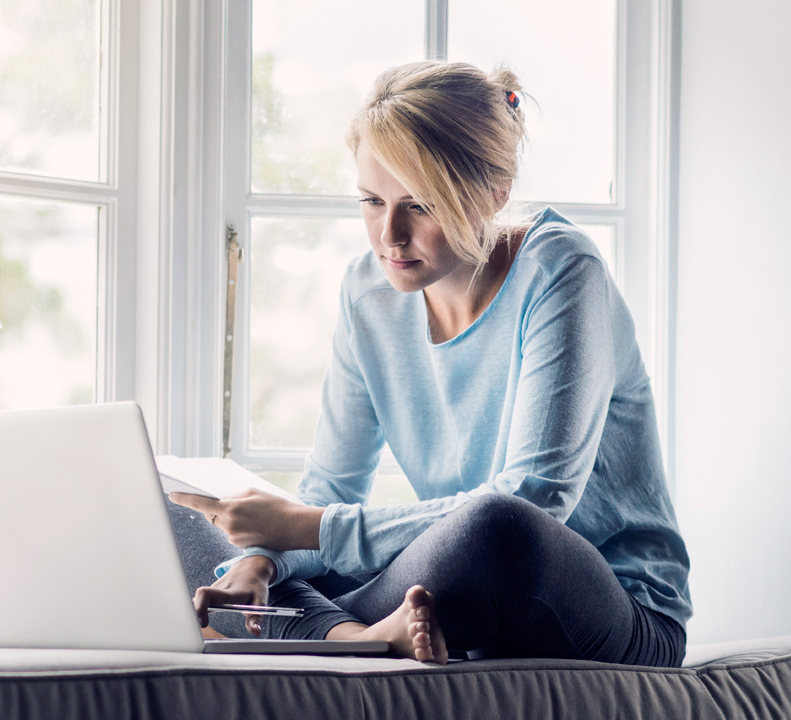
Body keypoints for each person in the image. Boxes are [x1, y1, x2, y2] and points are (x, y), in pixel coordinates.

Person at [168, 61, 691, 667]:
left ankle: (308, 627)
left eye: (420, 206)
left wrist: (303, 532)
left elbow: (536, 498)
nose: (389, 234)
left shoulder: (562, 271)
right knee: (179, 517)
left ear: (494, 192)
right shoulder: (368, 293)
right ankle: (356, 638)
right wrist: (261, 562)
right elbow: (331, 490)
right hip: (431, 595)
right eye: (371, 200)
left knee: (499, 525)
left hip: (605, 603)